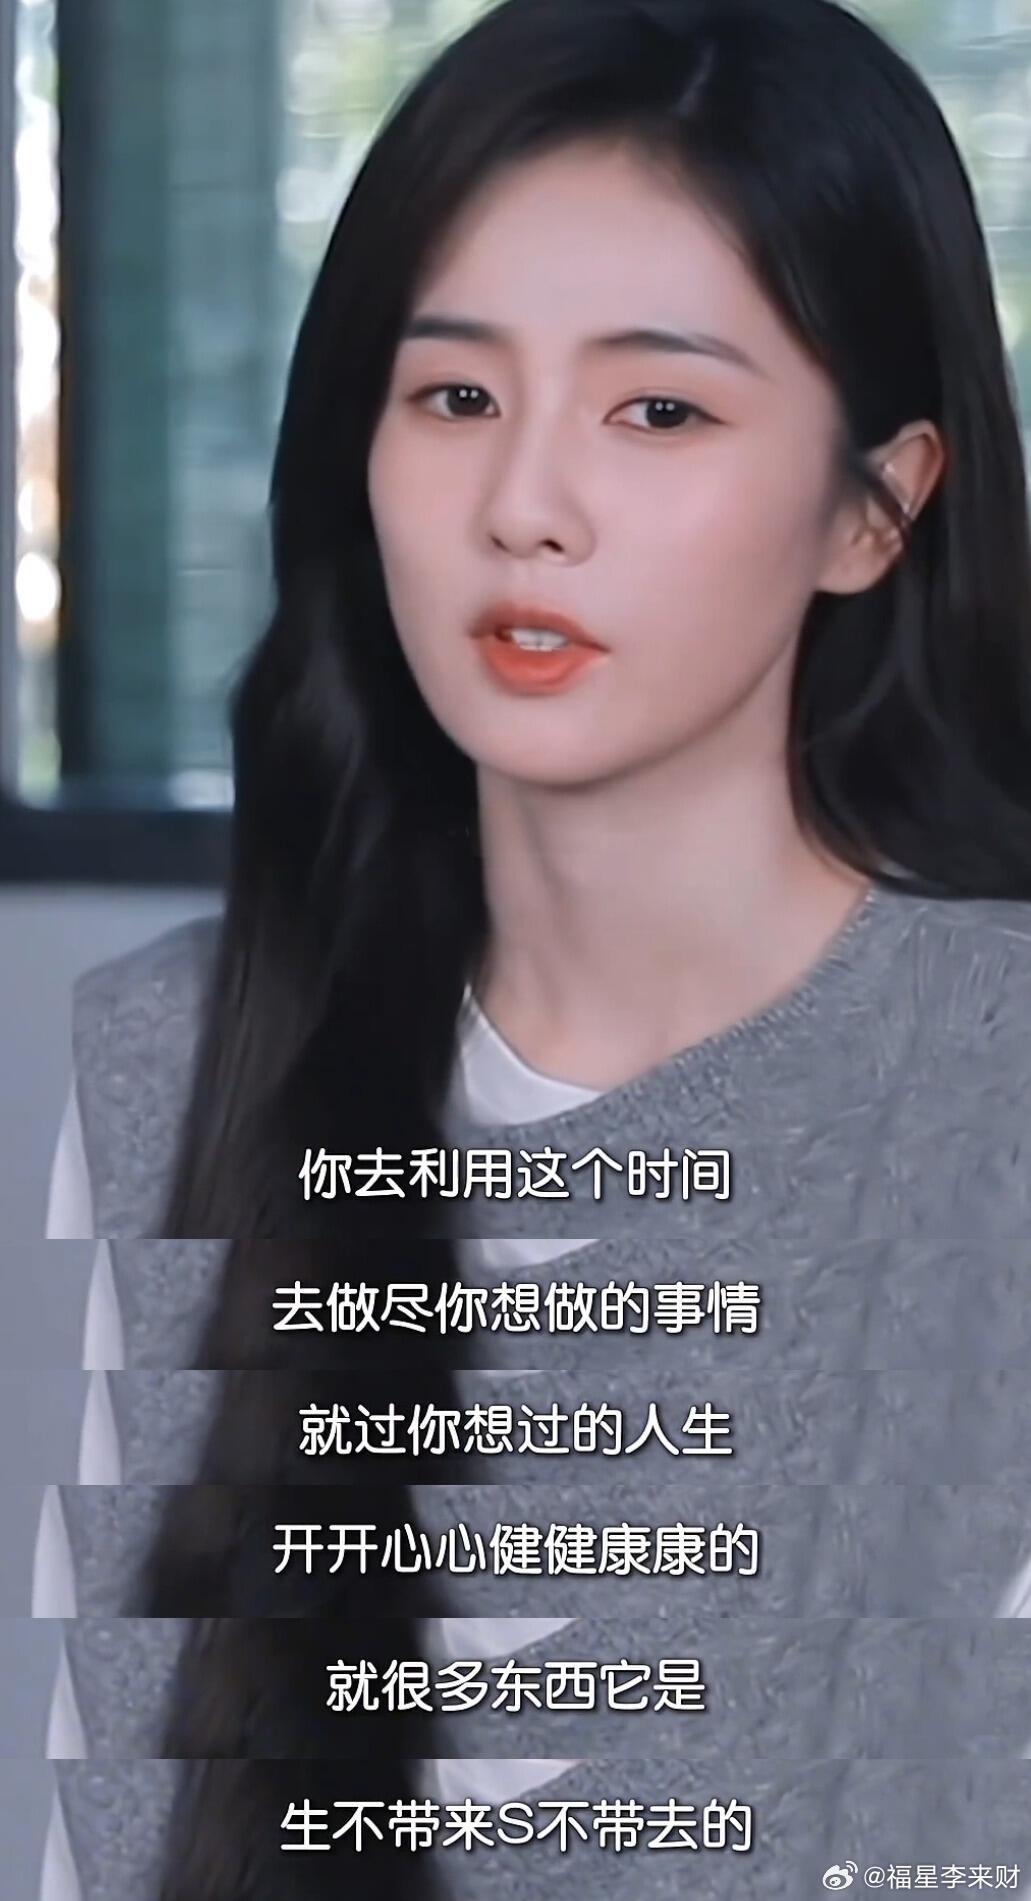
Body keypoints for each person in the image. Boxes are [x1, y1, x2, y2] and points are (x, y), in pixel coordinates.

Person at [36, 0, 1031, 1895]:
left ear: (875, 506)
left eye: (659, 410)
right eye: (455, 398)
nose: (524, 511)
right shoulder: (198, 1052)